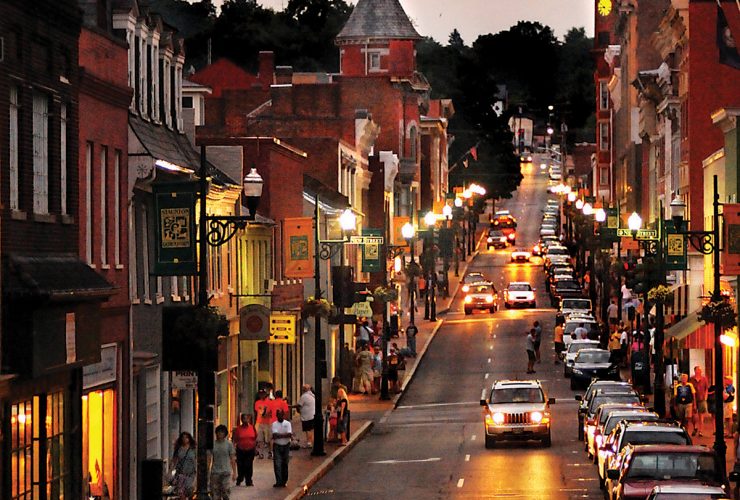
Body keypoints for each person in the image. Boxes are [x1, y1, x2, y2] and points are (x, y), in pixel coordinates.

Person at [209, 424, 237, 500]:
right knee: (215, 493)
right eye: (218, 432)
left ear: (225, 433)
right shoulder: (213, 444)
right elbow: (209, 458)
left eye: (222, 432)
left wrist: (234, 472)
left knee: (226, 490)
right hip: (215, 472)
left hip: (226, 471)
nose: (220, 434)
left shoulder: (229, 444)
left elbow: (232, 459)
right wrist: (208, 472)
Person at [232, 414, 257, 487]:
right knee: (240, 465)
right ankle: (240, 478)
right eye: (244, 419)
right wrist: (233, 449)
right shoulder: (238, 429)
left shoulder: (252, 427)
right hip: (240, 450)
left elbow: (255, 437)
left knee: (248, 465)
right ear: (241, 420)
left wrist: (255, 448)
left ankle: (248, 480)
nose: (245, 420)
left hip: (250, 449)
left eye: (247, 419)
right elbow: (235, 439)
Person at [170, 432, 197, 499]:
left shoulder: (193, 449)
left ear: (189, 439)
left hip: (190, 474)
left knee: (190, 490)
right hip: (180, 473)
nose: (184, 439)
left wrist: (196, 470)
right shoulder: (179, 449)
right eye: (183, 437)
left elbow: (196, 460)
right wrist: (170, 470)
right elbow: (174, 460)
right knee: (181, 492)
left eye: (186, 437)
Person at [271, 409, 293, 488]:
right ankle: (278, 481)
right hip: (277, 445)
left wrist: (279, 435)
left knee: (285, 463)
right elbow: (274, 436)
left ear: (283, 415)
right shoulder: (274, 424)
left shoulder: (288, 423)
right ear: (276, 416)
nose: (280, 416)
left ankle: (284, 480)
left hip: (286, 445)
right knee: (277, 464)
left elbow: (289, 434)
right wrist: (285, 435)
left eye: (281, 415)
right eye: (278, 415)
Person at [689, 367, 709, 437]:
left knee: (701, 415)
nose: (699, 371)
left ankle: (700, 430)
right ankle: (695, 427)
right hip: (693, 399)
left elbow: (706, 388)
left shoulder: (704, 379)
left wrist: (706, 397)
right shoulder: (691, 379)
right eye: (697, 370)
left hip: (702, 398)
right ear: (695, 371)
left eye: (700, 370)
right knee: (693, 415)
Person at [254, 390, 272, 459]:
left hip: (268, 423)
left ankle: (270, 453)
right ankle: (261, 454)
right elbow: (257, 412)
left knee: (269, 439)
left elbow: (271, 412)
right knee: (260, 439)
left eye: (263, 394)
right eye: (260, 394)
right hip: (259, 422)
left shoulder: (270, 402)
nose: (262, 395)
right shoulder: (257, 403)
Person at [296, 384, 316, 449]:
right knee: (311, 429)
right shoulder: (312, 395)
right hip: (312, 415)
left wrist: (298, 410)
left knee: (308, 430)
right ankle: (311, 442)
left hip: (307, 416)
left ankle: (309, 443)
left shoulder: (304, 396)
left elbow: (299, 405)